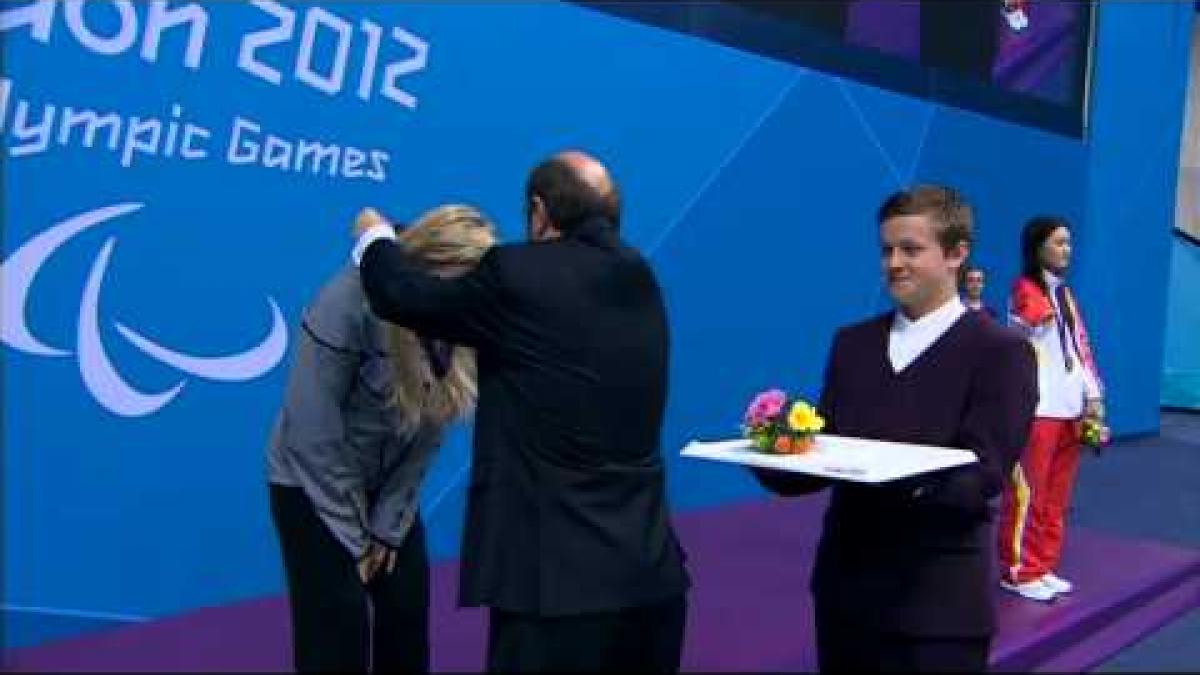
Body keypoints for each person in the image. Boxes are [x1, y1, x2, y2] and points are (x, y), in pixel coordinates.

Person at [351, 150, 690, 672]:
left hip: (555, 595)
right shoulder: (640, 278)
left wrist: (376, 238)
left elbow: (402, 295)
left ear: (539, 212)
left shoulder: (517, 273)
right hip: (651, 579)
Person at [754, 185, 1038, 672]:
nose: (894, 263)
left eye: (911, 249)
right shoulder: (853, 344)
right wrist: (771, 453)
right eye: (886, 249)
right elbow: (829, 452)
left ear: (957, 254)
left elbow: (984, 475)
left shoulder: (1000, 352)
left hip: (937, 608)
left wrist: (896, 475)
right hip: (846, 593)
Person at [267, 205, 497, 672]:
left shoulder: (461, 318)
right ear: (430, 267)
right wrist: (353, 542)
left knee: (406, 614)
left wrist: (388, 526)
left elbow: (433, 426)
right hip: (313, 486)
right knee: (338, 624)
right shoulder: (345, 303)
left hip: (387, 489)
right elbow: (311, 432)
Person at [997, 215, 1105, 602]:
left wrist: (1093, 397)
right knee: (1028, 495)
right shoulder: (1024, 290)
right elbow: (1021, 328)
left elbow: (1080, 348)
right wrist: (1031, 317)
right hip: (1038, 411)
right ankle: (1017, 570)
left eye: (1070, 243)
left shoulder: (1066, 295)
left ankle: (1042, 564)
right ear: (1038, 247)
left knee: (1056, 498)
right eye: (1059, 242)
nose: (1067, 250)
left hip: (1069, 412)